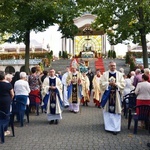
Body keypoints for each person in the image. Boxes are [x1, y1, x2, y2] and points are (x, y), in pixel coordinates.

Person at [100, 61, 125, 135]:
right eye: (111, 66)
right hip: (108, 96)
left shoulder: (120, 74)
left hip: (116, 96)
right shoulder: (105, 74)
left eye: (114, 66)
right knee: (107, 111)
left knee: (116, 112)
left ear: (116, 66)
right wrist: (108, 83)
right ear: (109, 66)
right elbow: (101, 83)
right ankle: (108, 127)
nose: (113, 67)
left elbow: (123, 84)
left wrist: (116, 84)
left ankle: (116, 128)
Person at [0, 71, 14, 135]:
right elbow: (12, 94)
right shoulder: (8, 84)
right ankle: (4, 130)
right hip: (6, 101)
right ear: (4, 77)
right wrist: (10, 99)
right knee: (6, 114)